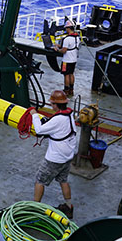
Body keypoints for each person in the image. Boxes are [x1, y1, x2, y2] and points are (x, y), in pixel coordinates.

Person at [33, 90, 77, 219]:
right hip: (67, 157)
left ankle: (34, 209)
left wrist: (34, 114)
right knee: (63, 180)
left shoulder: (58, 119)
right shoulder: (69, 116)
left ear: (55, 105)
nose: (51, 106)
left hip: (55, 159)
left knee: (40, 180)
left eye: (52, 104)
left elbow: (39, 130)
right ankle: (69, 206)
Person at [55, 20, 79, 96]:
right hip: (74, 59)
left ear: (68, 28)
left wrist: (57, 50)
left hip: (66, 60)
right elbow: (71, 47)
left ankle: (66, 90)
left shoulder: (67, 39)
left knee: (66, 75)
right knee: (71, 74)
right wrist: (59, 46)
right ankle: (71, 89)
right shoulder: (77, 38)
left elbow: (64, 51)